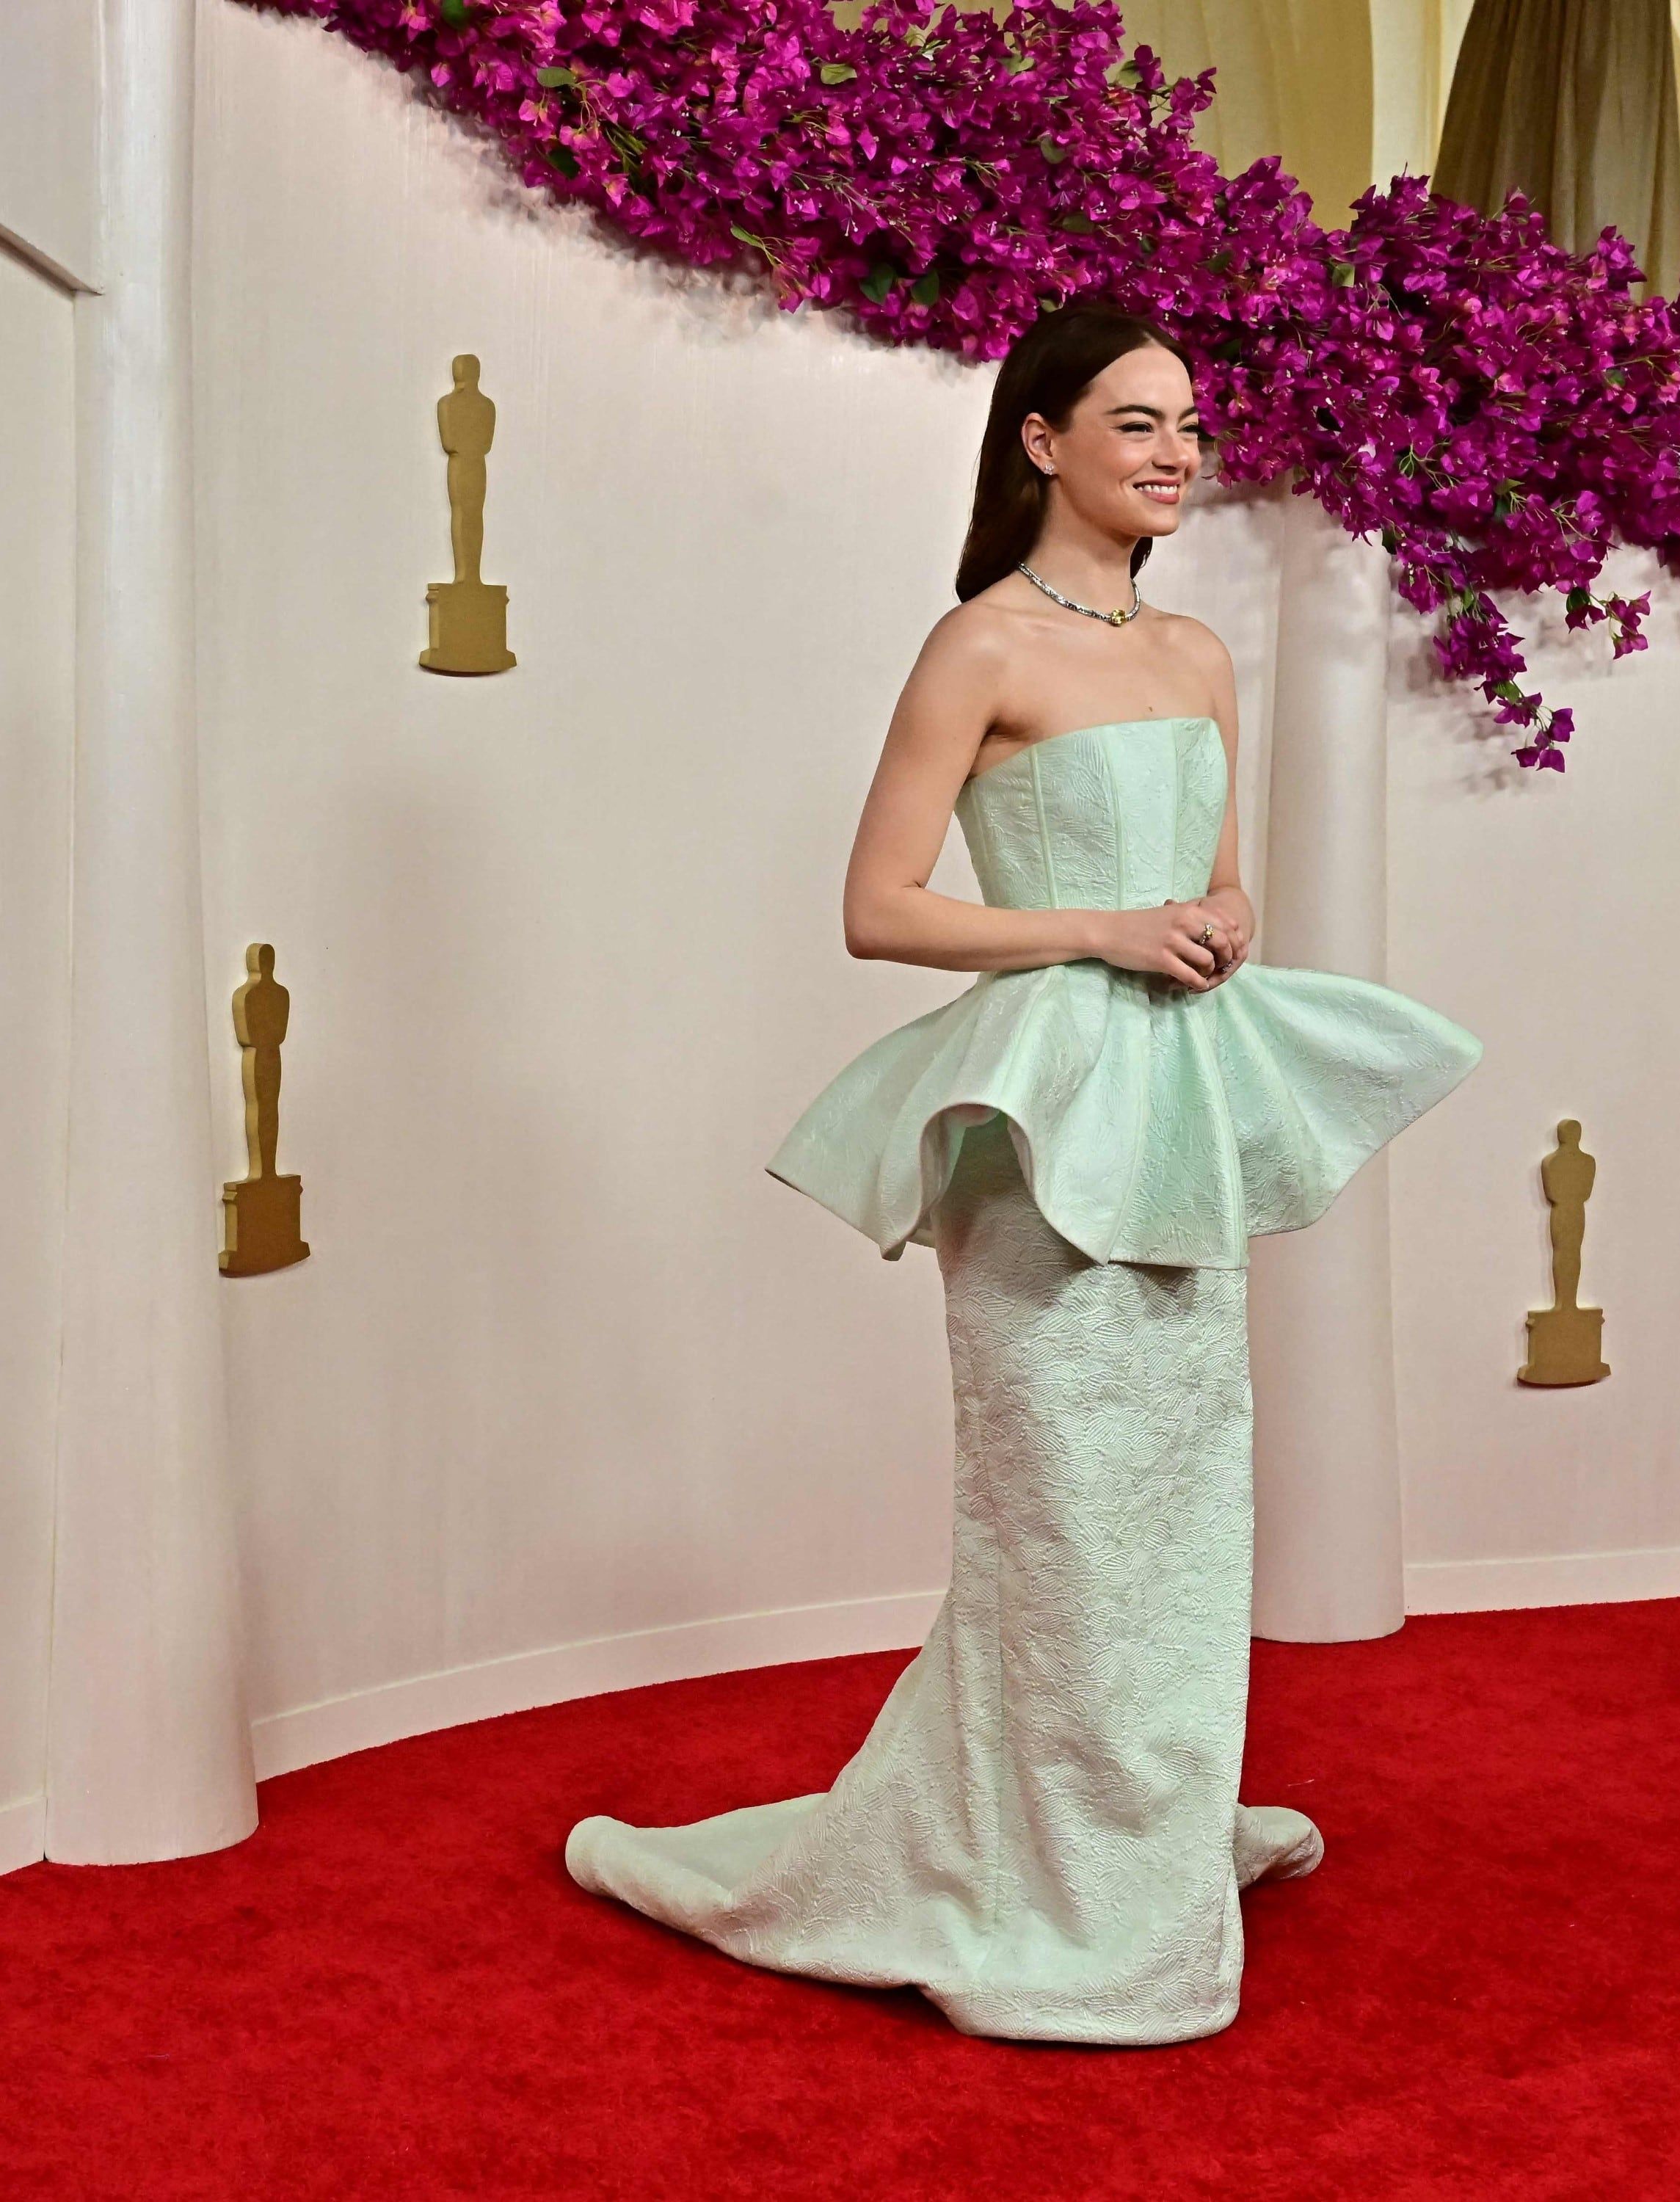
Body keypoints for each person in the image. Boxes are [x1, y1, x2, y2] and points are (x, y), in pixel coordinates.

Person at [564, 302, 1483, 2045]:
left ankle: (1138, 1834)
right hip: (1038, 1119)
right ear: (1040, 442)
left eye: (1191, 426)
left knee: (1183, 1511)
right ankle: (1046, 1879)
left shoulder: (1204, 656)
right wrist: (1106, 932)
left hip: (1180, 1112)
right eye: (1135, 424)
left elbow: (1221, 896)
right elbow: (879, 906)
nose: (1176, 453)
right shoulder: (977, 648)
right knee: (1056, 1518)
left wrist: (1212, 925)